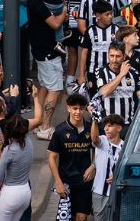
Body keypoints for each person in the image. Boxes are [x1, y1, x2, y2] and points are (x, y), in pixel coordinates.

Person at [47, 92, 94, 221]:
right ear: (68, 108)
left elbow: (98, 149)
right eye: (74, 108)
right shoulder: (60, 131)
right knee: (67, 218)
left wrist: (93, 166)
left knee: (81, 217)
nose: (78, 112)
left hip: (84, 181)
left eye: (81, 108)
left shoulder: (91, 129)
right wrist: (58, 182)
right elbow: (51, 157)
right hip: (66, 181)